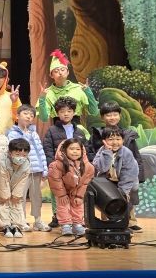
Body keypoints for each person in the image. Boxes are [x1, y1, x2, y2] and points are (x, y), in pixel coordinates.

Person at [87, 101, 144, 232]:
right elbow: (92, 154)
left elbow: (135, 156)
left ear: (119, 115)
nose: (112, 117)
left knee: (127, 196)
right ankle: (107, 222)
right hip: (106, 174)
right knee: (106, 197)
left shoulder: (127, 134)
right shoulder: (97, 134)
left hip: (124, 173)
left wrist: (139, 176)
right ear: (102, 117)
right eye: (108, 115)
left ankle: (130, 221)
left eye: (115, 114)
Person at [42, 96, 89, 228]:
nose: (66, 114)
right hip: (59, 168)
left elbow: (85, 149)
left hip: (76, 168)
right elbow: (48, 148)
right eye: (62, 111)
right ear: (57, 113)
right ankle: (57, 216)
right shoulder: (52, 130)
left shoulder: (79, 131)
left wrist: (84, 166)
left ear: (74, 112)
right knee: (58, 192)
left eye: (69, 111)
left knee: (75, 192)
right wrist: (52, 166)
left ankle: (76, 219)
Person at [7, 105, 50, 232]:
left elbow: (40, 151)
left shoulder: (34, 133)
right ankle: (21, 221)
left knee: (36, 197)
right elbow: (15, 151)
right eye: (25, 114)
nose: (29, 117)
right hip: (21, 171)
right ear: (17, 116)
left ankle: (38, 221)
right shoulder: (12, 133)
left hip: (36, 170)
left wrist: (44, 169)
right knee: (19, 197)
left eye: (31, 115)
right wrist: (25, 135)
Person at [91, 127, 140, 230]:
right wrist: (107, 153)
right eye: (110, 139)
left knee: (126, 200)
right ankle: (107, 222)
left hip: (126, 181)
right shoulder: (102, 151)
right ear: (104, 141)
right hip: (108, 181)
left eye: (118, 139)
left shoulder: (126, 153)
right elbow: (102, 168)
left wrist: (123, 191)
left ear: (123, 140)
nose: (115, 142)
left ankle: (129, 223)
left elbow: (129, 174)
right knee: (106, 199)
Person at [48, 139, 95, 237]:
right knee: (63, 205)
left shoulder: (88, 167)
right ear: (64, 150)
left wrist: (79, 195)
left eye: (78, 149)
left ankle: (77, 224)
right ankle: (65, 224)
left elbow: (86, 183)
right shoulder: (56, 165)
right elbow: (55, 180)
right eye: (71, 149)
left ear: (82, 151)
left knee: (78, 205)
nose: (75, 152)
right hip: (62, 190)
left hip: (77, 190)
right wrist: (62, 195)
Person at [36, 49, 98, 123]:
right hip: (58, 128)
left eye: (62, 70)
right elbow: (44, 119)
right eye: (56, 71)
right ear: (51, 75)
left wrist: (88, 92)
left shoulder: (78, 88)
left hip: (77, 127)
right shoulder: (47, 93)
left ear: (68, 72)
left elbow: (94, 112)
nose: (60, 73)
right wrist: (42, 98)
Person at [0, 138, 31, 238]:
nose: (21, 158)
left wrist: (17, 193)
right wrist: (5, 194)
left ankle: (17, 225)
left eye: (24, 155)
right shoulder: (2, 162)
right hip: (1, 183)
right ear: (10, 153)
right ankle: (5, 225)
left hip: (15, 183)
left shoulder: (26, 163)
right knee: (3, 200)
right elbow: (1, 179)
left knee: (16, 200)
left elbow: (23, 180)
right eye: (17, 154)